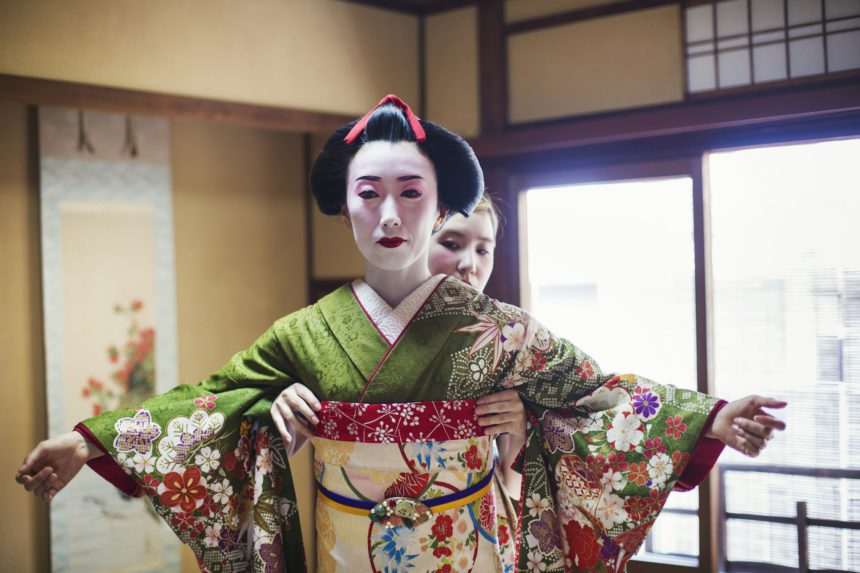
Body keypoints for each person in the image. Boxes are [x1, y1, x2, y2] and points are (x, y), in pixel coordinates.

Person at [17, 95, 786, 573]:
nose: (389, 216)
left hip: (471, 547)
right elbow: (209, 403)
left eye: (410, 193)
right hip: (344, 552)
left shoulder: (499, 330)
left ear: (440, 201)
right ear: (344, 203)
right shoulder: (305, 333)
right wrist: (90, 443)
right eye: (368, 193)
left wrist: (707, 417)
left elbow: (597, 397)